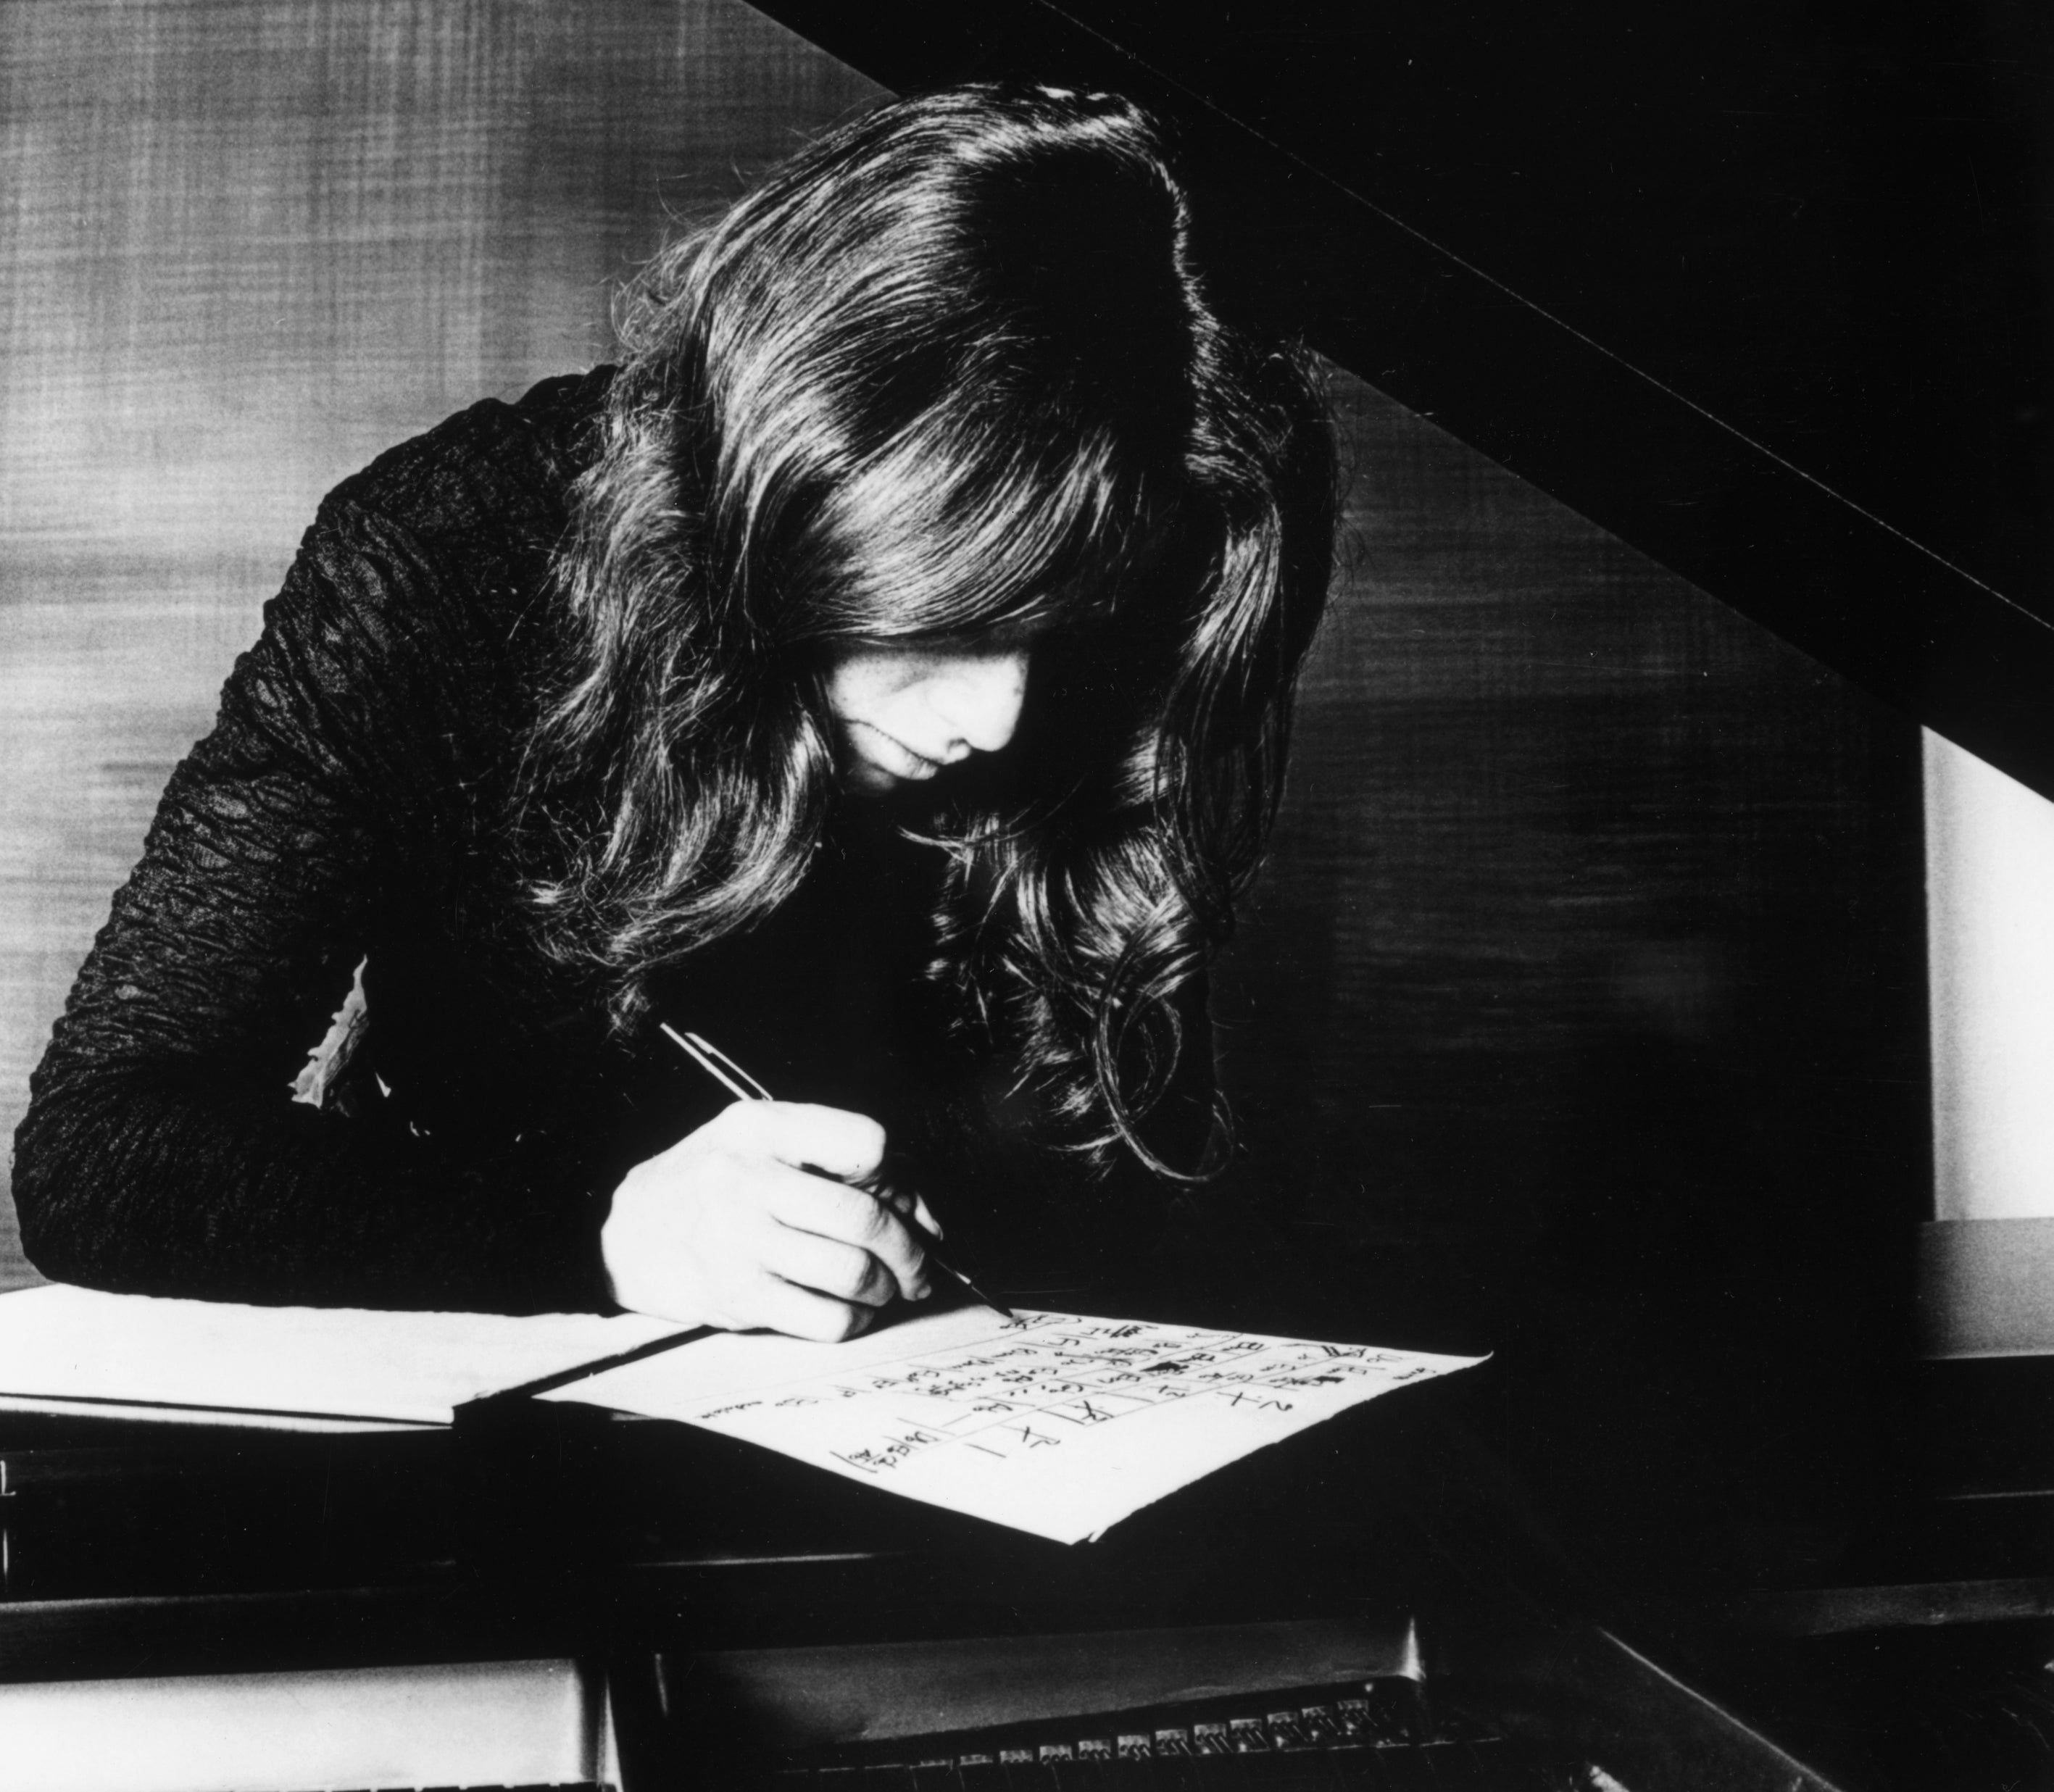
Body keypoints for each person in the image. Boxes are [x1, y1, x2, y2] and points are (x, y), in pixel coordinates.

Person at [12, 84, 1336, 1338]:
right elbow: (102, 1151)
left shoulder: (1173, 550)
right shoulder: (446, 557)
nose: (996, 724)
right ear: (787, 510)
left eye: (1068, 634)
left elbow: (1122, 1208)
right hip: (498, 1448)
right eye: (945, 621)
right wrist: (601, 1237)